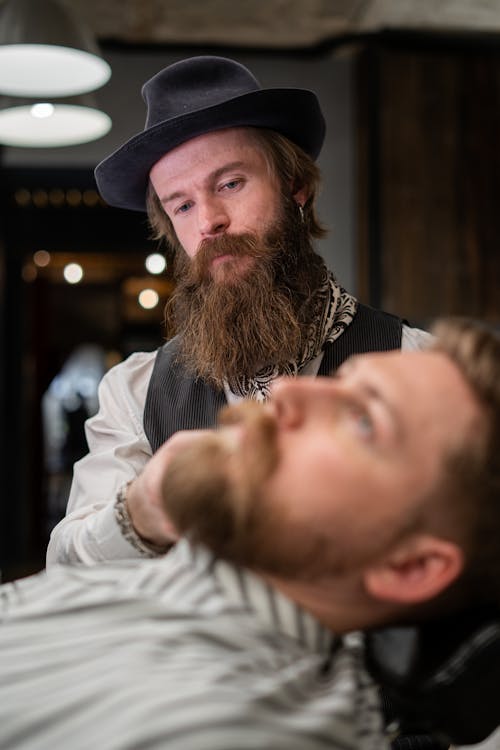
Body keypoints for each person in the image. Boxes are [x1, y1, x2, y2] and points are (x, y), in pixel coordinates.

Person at [3, 318, 500, 750]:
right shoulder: (157, 583)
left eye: (364, 420)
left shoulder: (227, 732)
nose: (284, 390)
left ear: (408, 567)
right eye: (344, 382)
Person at [47, 54, 430, 566]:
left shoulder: (417, 367)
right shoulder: (134, 392)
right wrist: (140, 512)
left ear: (297, 186)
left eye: (230, 183)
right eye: (182, 205)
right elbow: (67, 562)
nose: (209, 221)